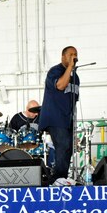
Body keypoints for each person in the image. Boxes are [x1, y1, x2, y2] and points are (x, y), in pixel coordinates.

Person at [40, 46, 80, 181]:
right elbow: (61, 85)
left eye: (75, 54)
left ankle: (61, 178)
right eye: (70, 54)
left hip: (67, 119)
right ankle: (58, 179)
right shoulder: (55, 71)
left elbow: (73, 102)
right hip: (54, 118)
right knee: (63, 145)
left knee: (68, 148)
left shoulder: (76, 78)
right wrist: (70, 68)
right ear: (63, 57)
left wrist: (74, 124)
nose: (73, 57)